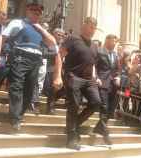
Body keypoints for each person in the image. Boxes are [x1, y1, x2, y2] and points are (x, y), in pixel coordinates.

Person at [0, 2, 56, 131]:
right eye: (33, 10)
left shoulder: (40, 29)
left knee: (29, 91)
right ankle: (15, 118)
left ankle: (19, 115)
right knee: (16, 86)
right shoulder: (18, 23)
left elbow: (52, 42)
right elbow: (2, 37)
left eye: (39, 12)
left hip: (35, 61)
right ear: (27, 11)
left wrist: (41, 28)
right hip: (20, 57)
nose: (36, 13)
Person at [53, 17, 111, 150]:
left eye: (94, 28)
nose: (92, 30)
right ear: (84, 25)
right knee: (74, 105)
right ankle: (71, 138)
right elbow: (59, 55)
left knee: (96, 103)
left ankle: (73, 126)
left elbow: (93, 64)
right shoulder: (72, 39)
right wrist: (57, 76)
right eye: (90, 26)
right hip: (73, 76)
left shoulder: (94, 46)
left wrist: (95, 76)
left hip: (89, 79)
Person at [97, 34, 120, 119]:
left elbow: (117, 69)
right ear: (107, 40)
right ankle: (102, 127)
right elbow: (94, 65)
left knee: (111, 106)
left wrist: (118, 77)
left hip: (113, 84)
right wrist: (96, 77)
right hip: (102, 82)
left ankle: (101, 126)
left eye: (116, 42)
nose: (115, 44)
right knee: (104, 105)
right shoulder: (99, 51)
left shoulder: (115, 54)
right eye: (114, 41)